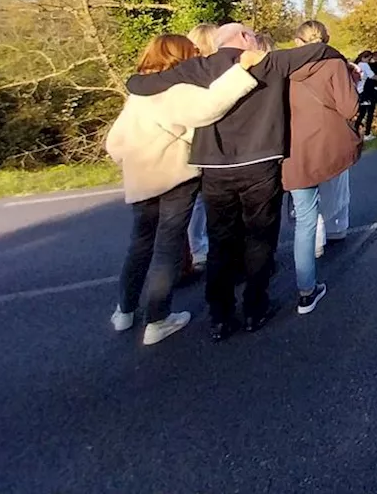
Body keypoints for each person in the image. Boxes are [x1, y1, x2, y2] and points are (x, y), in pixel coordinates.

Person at [123, 23, 344, 341]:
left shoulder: (199, 67)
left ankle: (220, 316)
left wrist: (134, 80)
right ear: (243, 39)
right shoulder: (269, 62)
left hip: (215, 166)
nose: (255, 38)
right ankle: (255, 308)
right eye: (251, 34)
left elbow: (143, 84)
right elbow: (318, 50)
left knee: (221, 241)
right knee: (259, 239)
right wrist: (339, 58)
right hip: (260, 161)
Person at [106, 36, 264, 345]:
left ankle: (124, 310)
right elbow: (207, 110)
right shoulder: (172, 90)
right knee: (168, 246)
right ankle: (157, 319)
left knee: (139, 244)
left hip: (140, 177)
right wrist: (241, 71)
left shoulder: (139, 91)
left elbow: (114, 141)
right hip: (174, 176)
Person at [282, 21, 360, 316]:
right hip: (327, 141)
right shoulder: (333, 63)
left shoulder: (282, 67)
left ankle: (306, 288)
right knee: (336, 184)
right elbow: (350, 107)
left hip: (294, 146)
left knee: (304, 214)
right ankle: (336, 228)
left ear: (297, 40)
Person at [183, 22, 220, 272]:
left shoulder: (183, 73)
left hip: (188, 143)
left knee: (195, 201)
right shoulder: (215, 72)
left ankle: (196, 248)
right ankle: (202, 247)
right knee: (209, 200)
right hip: (208, 141)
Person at [354, 51, 377, 141]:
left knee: (361, 114)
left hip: (358, 91)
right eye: (369, 59)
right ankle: (367, 133)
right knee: (370, 112)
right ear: (365, 58)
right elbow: (372, 76)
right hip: (366, 92)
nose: (370, 61)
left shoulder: (357, 65)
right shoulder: (364, 65)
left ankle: (354, 133)